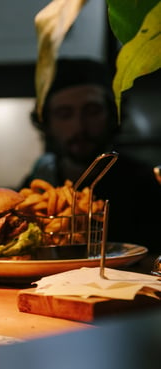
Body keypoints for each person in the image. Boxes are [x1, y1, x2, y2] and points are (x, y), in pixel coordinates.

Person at [22, 58, 161, 251]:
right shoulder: (35, 185)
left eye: (92, 111)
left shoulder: (148, 185)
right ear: (47, 123)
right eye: (64, 114)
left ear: (112, 114)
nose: (79, 127)